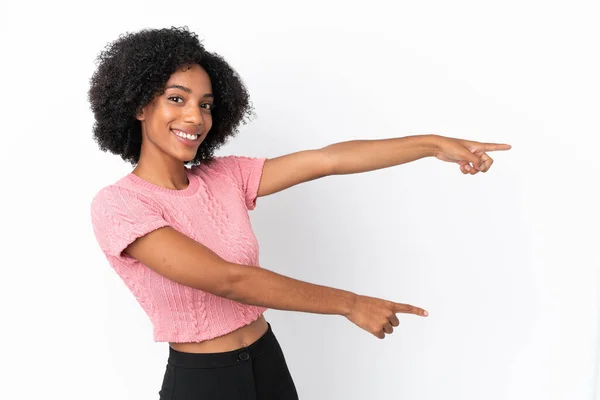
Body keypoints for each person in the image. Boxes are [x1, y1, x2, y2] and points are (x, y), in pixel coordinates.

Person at [88, 26, 511, 400]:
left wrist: (432, 144)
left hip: (266, 361)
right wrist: (351, 304)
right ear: (139, 105)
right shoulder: (120, 206)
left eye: (206, 104)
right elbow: (229, 280)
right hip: (204, 382)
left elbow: (327, 159)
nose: (195, 117)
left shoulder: (224, 176)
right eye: (176, 99)